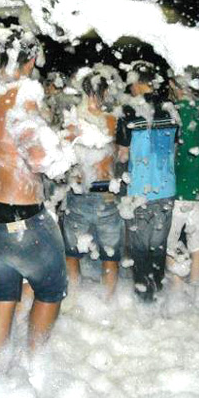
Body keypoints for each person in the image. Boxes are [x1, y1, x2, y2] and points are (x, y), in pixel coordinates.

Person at [0, 28, 72, 366]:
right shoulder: (23, 96)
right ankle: (35, 366)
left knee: (3, 293)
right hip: (20, 217)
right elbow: (43, 161)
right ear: (32, 60)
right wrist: (68, 141)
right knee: (51, 289)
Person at [116, 61, 177, 301]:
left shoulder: (128, 110)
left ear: (138, 81)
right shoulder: (171, 109)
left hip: (139, 190)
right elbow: (173, 147)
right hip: (166, 188)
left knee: (139, 249)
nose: (129, 87)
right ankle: (157, 290)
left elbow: (122, 154)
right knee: (158, 246)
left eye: (131, 81)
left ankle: (144, 300)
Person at [62, 68, 123, 296]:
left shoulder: (72, 121)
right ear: (105, 92)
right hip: (106, 192)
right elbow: (121, 156)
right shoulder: (112, 120)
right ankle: (107, 302)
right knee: (110, 255)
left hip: (79, 191)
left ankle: (74, 297)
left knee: (72, 253)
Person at [165, 74, 199, 287]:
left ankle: (176, 292)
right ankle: (195, 290)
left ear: (176, 86)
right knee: (197, 246)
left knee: (170, 242)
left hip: (178, 186)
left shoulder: (174, 110)